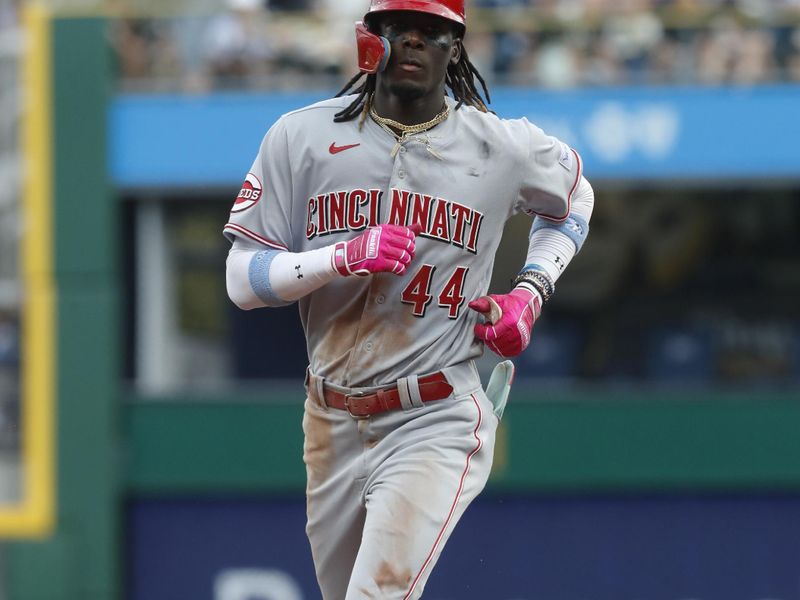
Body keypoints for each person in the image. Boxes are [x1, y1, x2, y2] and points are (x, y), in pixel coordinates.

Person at [224, 0, 594, 597]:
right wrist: (340, 257)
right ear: (370, 41)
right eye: (401, 29)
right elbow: (242, 280)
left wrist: (531, 291)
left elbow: (574, 197)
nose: (416, 43)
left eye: (433, 32)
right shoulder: (302, 137)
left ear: (457, 48)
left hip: (436, 411)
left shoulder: (501, 146)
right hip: (330, 416)